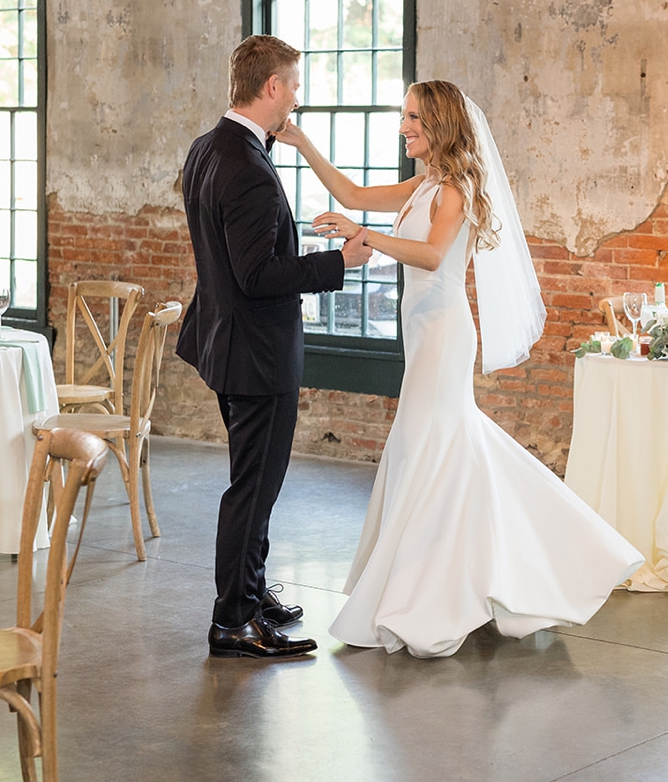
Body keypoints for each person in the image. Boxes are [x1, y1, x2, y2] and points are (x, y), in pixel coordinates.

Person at [272, 80, 643, 658]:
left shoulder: (459, 188)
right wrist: (302, 142)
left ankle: (433, 591)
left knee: (425, 444)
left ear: (440, 122)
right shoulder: (426, 184)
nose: (404, 128)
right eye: (403, 117)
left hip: (444, 333)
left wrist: (363, 235)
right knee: (445, 445)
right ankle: (465, 573)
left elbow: (432, 256)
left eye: (413, 118)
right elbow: (351, 191)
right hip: (422, 331)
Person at [177, 35, 371, 659]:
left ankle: (251, 592)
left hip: (225, 343)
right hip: (256, 354)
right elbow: (258, 276)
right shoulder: (248, 169)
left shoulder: (209, 148)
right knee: (253, 488)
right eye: (293, 84)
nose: (297, 96)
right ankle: (231, 620)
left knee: (253, 481)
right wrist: (337, 263)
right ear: (271, 88)